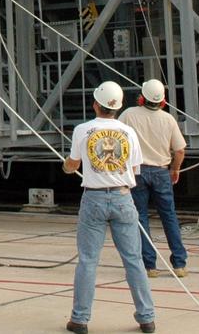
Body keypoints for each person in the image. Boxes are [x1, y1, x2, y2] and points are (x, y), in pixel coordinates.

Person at [63, 82, 156, 334]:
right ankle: (146, 317)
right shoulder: (128, 132)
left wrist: (67, 166)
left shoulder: (83, 130)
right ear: (118, 106)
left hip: (93, 199)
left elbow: (72, 164)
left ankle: (80, 319)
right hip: (123, 197)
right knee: (134, 260)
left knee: (88, 261)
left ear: (96, 104)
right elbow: (135, 169)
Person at [119, 79, 188, 277]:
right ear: (163, 100)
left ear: (142, 97)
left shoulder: (129, 114)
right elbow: (180, 150)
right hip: (161, 171)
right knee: (169, 216)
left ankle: (150, 265)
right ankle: (179, 263)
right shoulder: (168, 119)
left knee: (140, 217)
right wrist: (175, 170)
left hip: (137, 171)